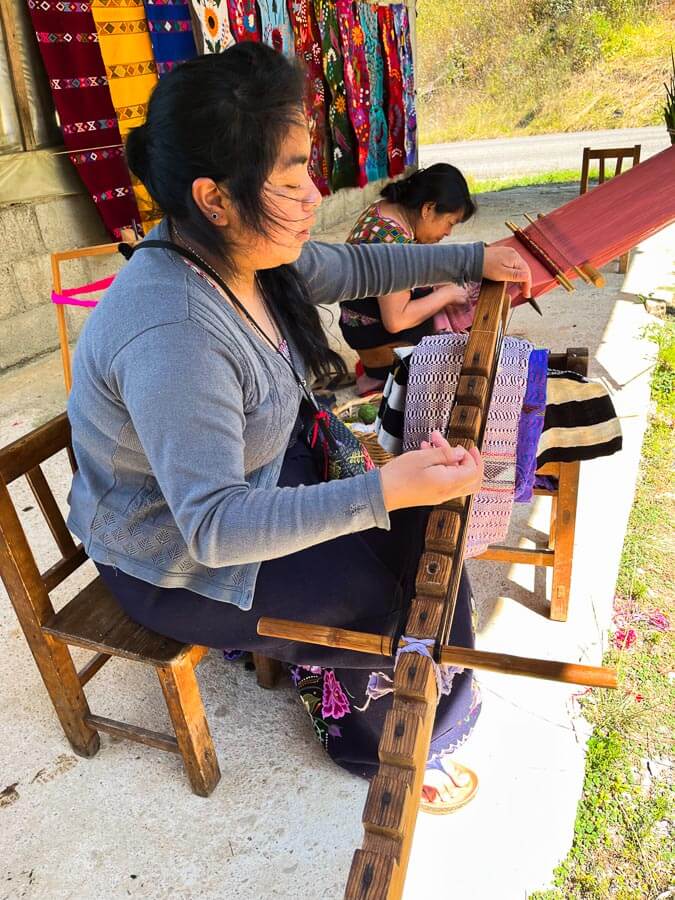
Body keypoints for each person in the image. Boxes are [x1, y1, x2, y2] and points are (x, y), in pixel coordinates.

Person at [66, 44, 531, 808]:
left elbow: (353, 268)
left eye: (307, 169)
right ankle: (384, 741)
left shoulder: (247, 252)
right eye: (291, 179)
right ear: (214, 198)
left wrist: (478, 256)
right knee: (383, 597)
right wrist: (380, 489)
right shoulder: (175, 328)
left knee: (428, 538)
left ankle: (432, 703)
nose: (315, 194)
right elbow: (214, 527)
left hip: (253, 481)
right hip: (177, 560)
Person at [340, 164, 480, 394]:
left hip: (357, 325)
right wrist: (446, 295)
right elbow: (396, 320)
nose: (448, 233)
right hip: (375, 342)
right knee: (459, 328)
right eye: (450, 223)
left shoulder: (383, 210)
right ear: (428, 209)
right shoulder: (392, 243)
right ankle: (383, 375)